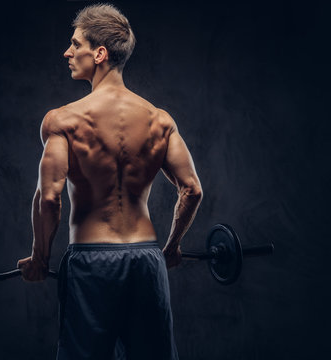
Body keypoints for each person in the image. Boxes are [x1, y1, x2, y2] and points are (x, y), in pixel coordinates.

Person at [17, 3, 202, 360]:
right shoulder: (160, 121)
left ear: (99, 53)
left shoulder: (64, 121)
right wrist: (172, 247)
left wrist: (40, 258)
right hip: (147, 261)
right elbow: (192, 189)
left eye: (76, 44)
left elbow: (50, 197)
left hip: (91, 263)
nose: (67, 52)